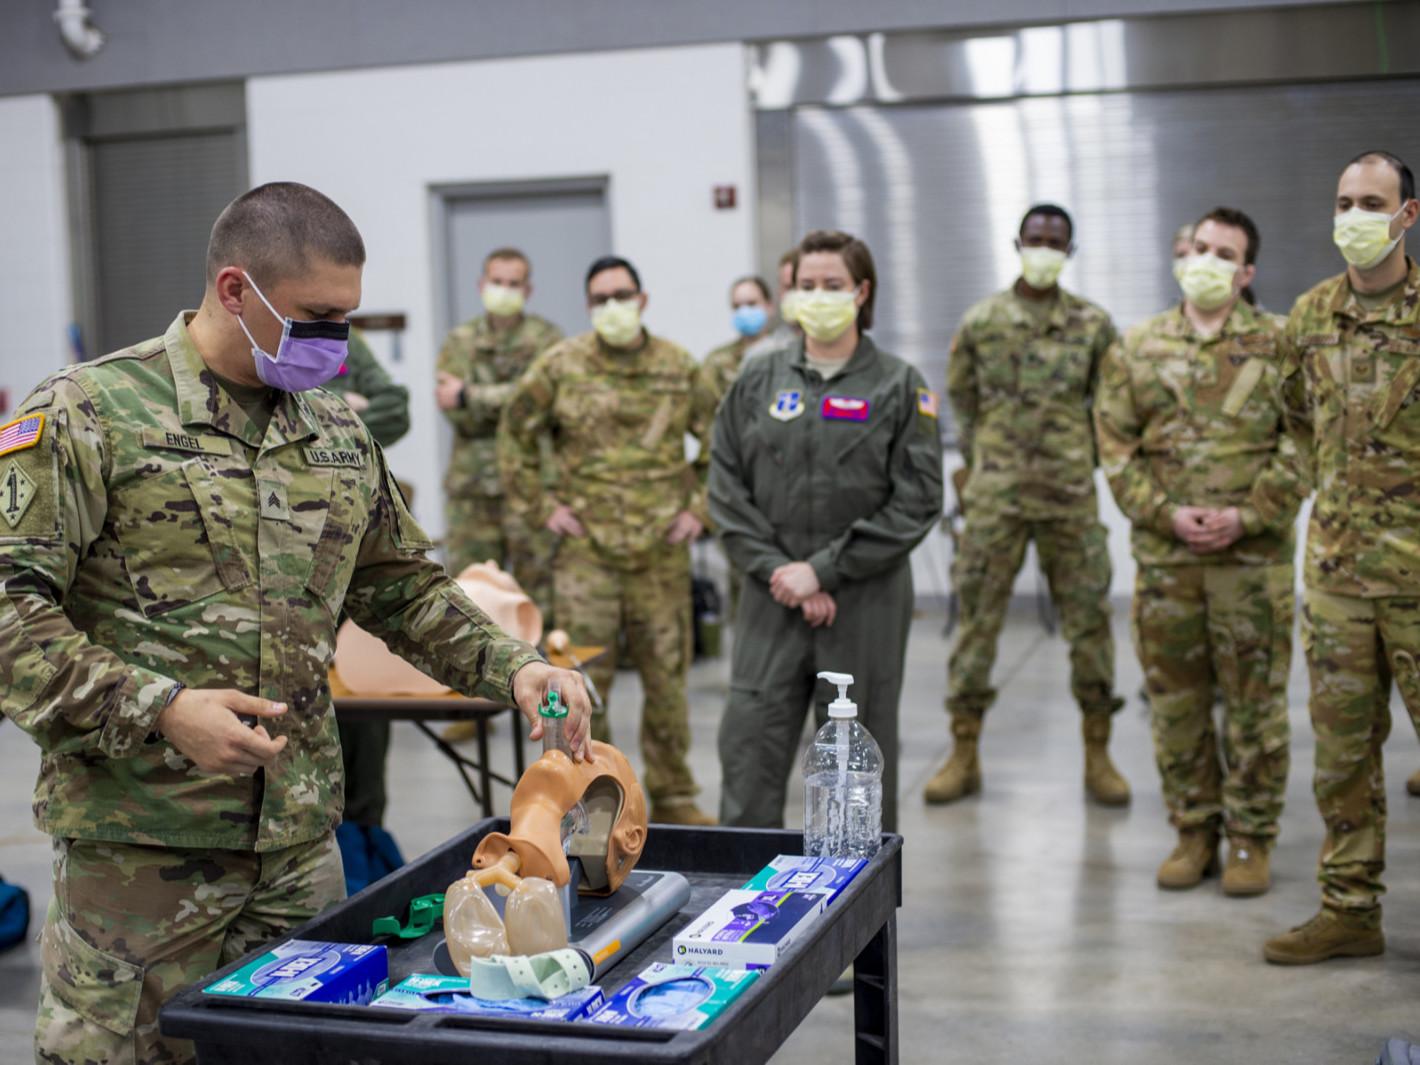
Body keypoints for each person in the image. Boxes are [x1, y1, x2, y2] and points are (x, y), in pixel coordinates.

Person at [0, 182, 593, 1065]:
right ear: (237, 289)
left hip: (300, 849)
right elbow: (11, 603)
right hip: (142, 858)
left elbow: (404, 589)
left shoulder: (338, 436)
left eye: (348, 319)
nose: (337, 343)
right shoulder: (92, 414)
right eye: (318, 316)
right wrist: (159, 706)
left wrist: (515, 668)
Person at [1095, 207, 1307, 897]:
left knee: (1254, 704)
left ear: (1247, 271)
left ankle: (1250, 838)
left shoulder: (1281, 343)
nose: (1208, 261)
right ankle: (1194, 831)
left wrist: (1248, 514)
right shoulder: (1138, 345)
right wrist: (1166, 513)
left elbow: (1304, 441)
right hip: (1168, 561)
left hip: (1253, 564)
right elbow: (1116, 447)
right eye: (1200, 249)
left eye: (1226, 253)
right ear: (1181, 258)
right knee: (1177, 702)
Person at [709, 229, 944, 833]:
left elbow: (917, 500)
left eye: (832, 285)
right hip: (770, 600)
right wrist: (780, 572)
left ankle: (852, 925)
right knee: (749, 756)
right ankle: (742, 919)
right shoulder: (756, 381)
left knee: (852, 779)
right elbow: (726, 491)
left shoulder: (898, 385)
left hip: (862, 602)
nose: (817, 296)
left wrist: (825, 569)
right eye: (805, 285)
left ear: (861, 292)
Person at [1264, 151, 1420, 964]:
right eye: (1343, 201)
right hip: (1335, 581)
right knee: (1342, 755)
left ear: (1407, 215)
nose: (1353, 214)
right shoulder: (1310, 313)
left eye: (1372, 201)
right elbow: (1294, 416)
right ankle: (1350, 909)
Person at [499, 255, 718, 826]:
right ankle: (599, 796)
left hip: (660, 556)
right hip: (586, 558)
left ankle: (673, 795)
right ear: (588, 306)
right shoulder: (560, 366)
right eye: (600, 299)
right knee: (582, 685)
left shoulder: (679, 366)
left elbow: (725, 441)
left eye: (622, 295)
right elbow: (514, 433)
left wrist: (701, 508)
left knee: (667, 682)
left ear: (642, 299)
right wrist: (543, 506)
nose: (612, 307)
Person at [926, 203, 1129, 806]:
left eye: (1056, 241)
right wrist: (987, 456)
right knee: (977, 625)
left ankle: (1099, 752)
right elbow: (959, 395)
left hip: (1070, 496)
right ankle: (964, 752)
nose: (1044, 248)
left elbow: (1112, 404)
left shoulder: (1094, 324)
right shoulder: (984, 320)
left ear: (1070, 250)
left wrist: (1080, 456)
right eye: (1035, 239)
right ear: (1018, 243)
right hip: (997, 499)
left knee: (1091, 622)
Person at [435, 248, 562, 745]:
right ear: (481, 282)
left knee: (537, 597)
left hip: (529, 486)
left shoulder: (547, 338)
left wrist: (474, 394)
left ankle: (548, 705)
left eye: (516, 282)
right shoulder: (460, 340)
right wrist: (493, 399)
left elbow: (540, 405)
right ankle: (473, 706)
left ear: (528, 290)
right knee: (469, 601)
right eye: (498, 280)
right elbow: (455, 409)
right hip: (472, 491)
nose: (505, 289)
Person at [323, 330, 412, 878]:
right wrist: (345, 409)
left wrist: (332, 427)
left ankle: (362, 856)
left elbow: (395, 410)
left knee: (363, 714)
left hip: (347, 559)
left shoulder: (338, 346)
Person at [702, 275, 775, 405]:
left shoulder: (789, 352)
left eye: (751, 304)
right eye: (737, 307)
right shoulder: (717, 361)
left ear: (770, 306)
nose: (744, 311)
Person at [745, 249, 802, 359]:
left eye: (805, 286)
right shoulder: (762, 355)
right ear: (779, 292)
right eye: (789, 287)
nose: (796, 293)